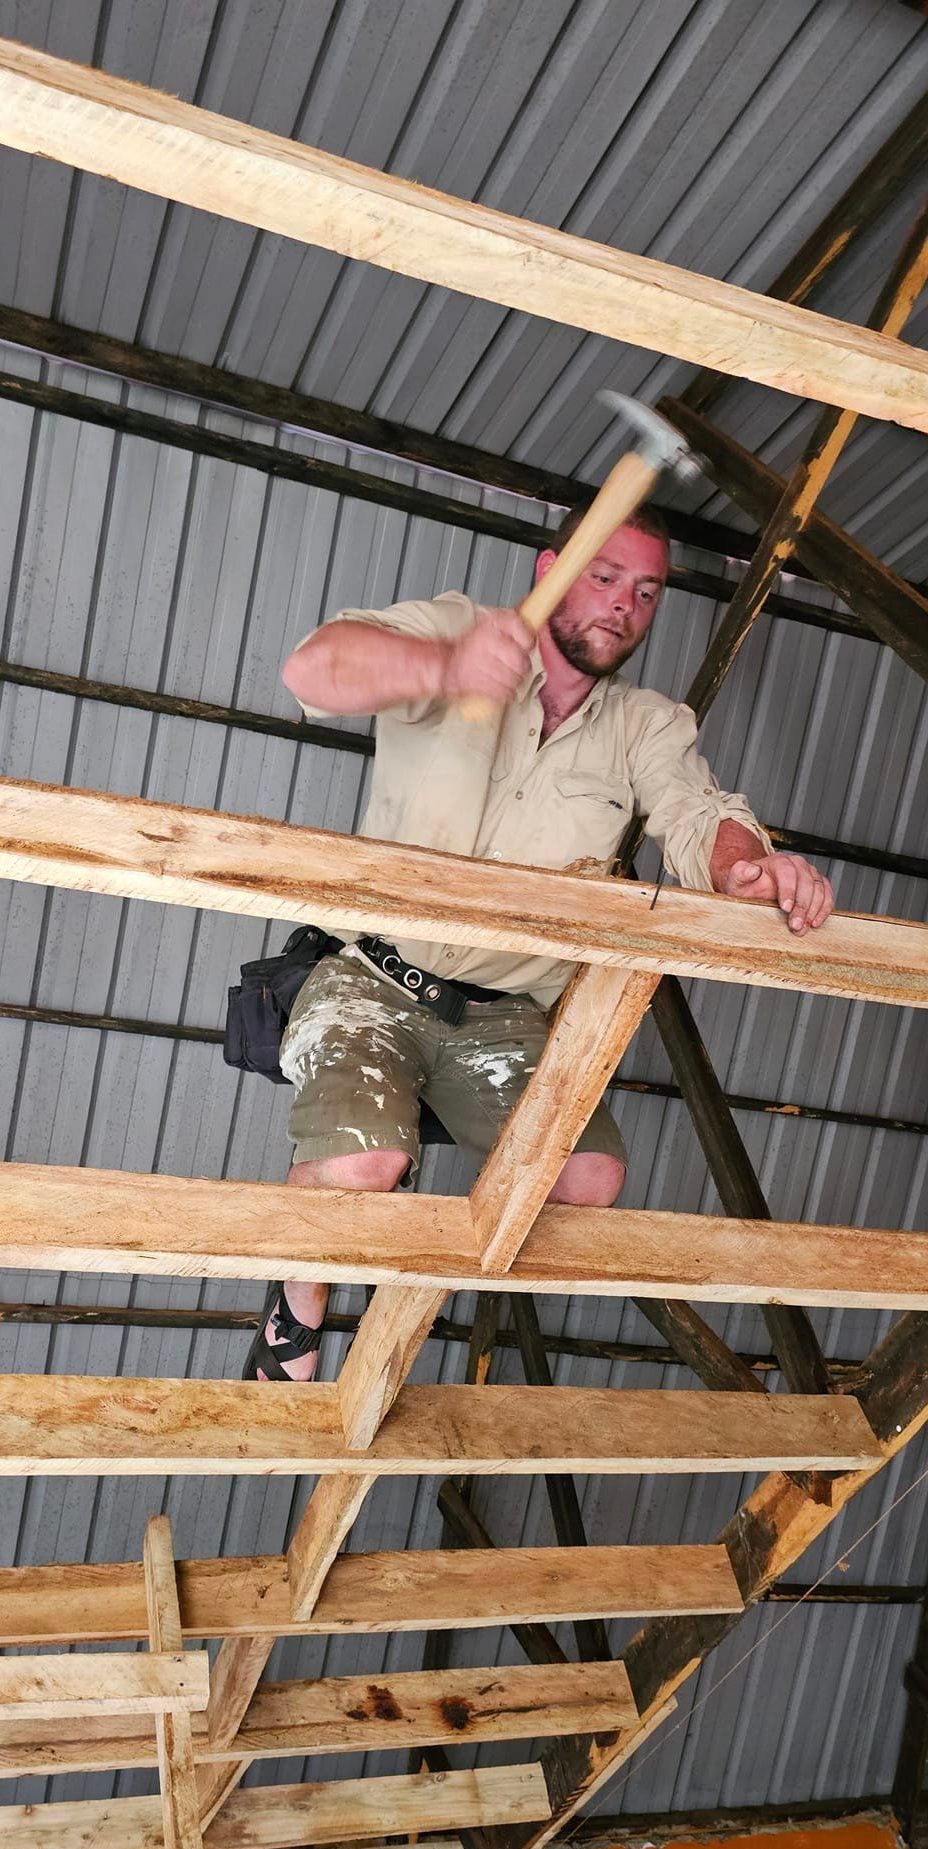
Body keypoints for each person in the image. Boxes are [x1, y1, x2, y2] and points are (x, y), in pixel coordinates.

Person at [244, 503, 834, 1382]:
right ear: (550, 565)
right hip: (373, 976)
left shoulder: (644, 723)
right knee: (367, 1164)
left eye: (645, 592)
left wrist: (753, 869)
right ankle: (297, 1312)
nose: (623, 607)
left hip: (504, 1016)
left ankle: (406, 1282)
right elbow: (313, 669)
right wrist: (445, 666)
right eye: (603, 577)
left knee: (589, 1183)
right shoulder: (458, 628)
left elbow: (697, 812)